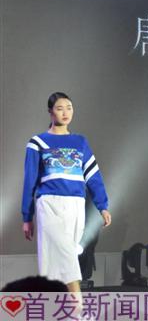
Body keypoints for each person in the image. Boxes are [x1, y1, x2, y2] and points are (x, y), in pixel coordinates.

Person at [21, 92, 111, 294]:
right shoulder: (38, 142)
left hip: (76, 205)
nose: (65, 112)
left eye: (69, 108)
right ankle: (78, 305)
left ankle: (55, 305)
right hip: (49, 204)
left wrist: (103, 206)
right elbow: (29, 181)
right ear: (50, 112)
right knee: (66, 256)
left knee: (59, 260)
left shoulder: (80, 142)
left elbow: (93, 176)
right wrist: (27, 217)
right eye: (60, 108)